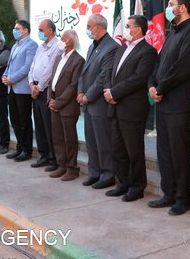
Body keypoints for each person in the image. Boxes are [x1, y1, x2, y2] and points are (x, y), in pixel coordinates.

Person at [148, 0, 190, 216]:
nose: (168, 8)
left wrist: (160, 88)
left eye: (171, 4)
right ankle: (169, 193)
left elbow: (183, 68)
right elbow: (159, 63)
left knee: (179, 152)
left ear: (182, 7)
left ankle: (183, 198)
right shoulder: (173, 33)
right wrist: (152, 85)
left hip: (180, 104)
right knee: (164, 151)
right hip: (163, 102)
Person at [104, 15, 157, 202]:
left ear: (139, 29)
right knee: (118, 149)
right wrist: (108, 91)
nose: (125, 29)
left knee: (133, 150)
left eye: (128, 26)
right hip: (115, 106)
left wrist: (114, 92)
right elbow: (111, 72)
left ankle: (137, 186)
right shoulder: (121, 49)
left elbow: (139, 79)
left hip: (132, 108)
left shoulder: (148, 51)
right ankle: (123, 183)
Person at [77, 13, 119, 189]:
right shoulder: (91, 46)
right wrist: (80, 92)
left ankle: (107, 174)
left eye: (89, 26)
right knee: (91, 141)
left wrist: (88, 95)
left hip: (99, 103)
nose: (87, 29)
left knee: (103, 142)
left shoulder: (111, 47)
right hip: (87, 103)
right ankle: (94, 173)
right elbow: (85, 72)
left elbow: (103, 76)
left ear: (99, 27)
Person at [48, 30, 85, 181]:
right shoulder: (58, 58)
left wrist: (59, 102)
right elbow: (52, 81)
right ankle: (61, 165)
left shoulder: (78, 60)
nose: (60, 40)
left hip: (68, 106)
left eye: (62, 38)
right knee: (58, 137)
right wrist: (51, 98)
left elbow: (73, 85)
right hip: (54, 103)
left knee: (69, 138)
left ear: (70, 41)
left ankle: (72, 168)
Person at [28, 19, 61, 170]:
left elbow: (49, 70)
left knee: (49, 126)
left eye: (41, 30)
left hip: (45, 90)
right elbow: (33, 66)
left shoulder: (57, 46)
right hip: (35, 88)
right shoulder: (40, 47)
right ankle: (44, 155)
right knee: (39, 125)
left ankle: (54, 159)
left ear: (50, 30)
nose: (39, 33)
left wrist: (39, 88)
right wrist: (31, 84)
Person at [2, 20, 38, 161]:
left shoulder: (31, 45)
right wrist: (5, 75)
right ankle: (19, 147)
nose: (14, 30)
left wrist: (12, 79)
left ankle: (27, 150)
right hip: (12, 88)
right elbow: (10, 65)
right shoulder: (15, 45)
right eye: (14, 28)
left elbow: (27, 67)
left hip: (23, 89)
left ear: (25, 30)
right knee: (15, 120)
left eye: (17, 28)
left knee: (24, 121)